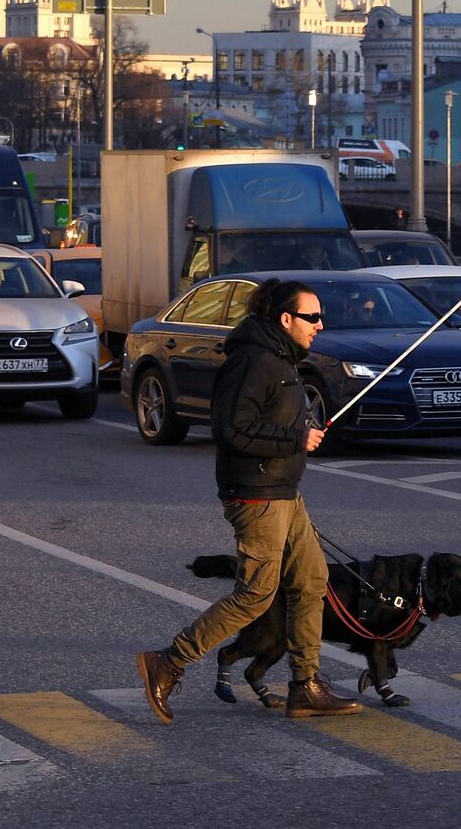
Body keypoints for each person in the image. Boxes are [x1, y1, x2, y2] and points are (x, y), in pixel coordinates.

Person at [136, 279, 361, 722]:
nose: (320, 324)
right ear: (285, 319)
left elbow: (271, 416)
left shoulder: (280, 358)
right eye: (312, 317)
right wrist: (294, 437)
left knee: (312, 581)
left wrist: (299, 430)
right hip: (256, 495)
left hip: (282, 492)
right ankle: (169, 661)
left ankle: (306, 686)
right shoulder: (254, 360)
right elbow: (231, 429)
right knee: (256, 594)